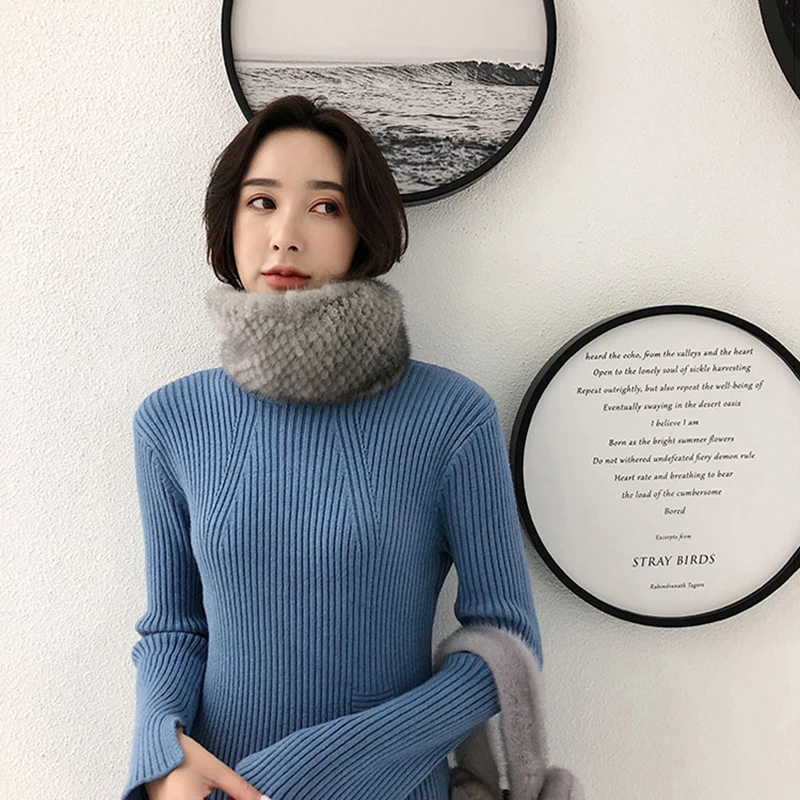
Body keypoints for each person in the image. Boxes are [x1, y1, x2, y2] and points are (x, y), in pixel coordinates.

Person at [120, 94, 543, 800]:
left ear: (360, 231)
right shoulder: (171, 420)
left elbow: (507, 643)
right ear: (228, 222)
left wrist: (310, 770)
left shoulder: (450, 416)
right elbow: (174, 628)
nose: (285, 236)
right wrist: (161, 757)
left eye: (324, 207)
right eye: (261, 202)